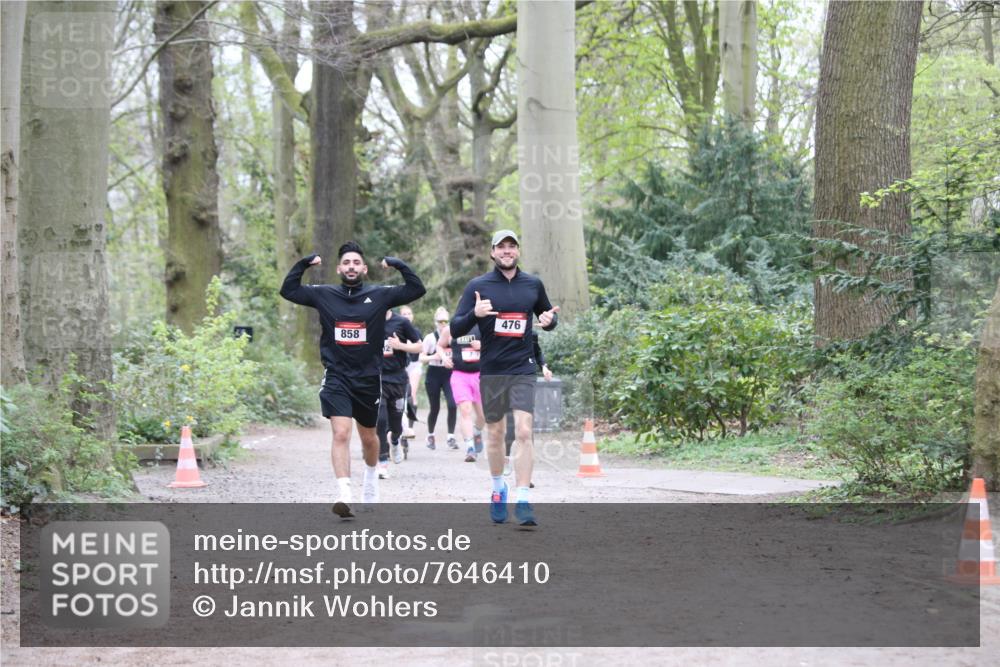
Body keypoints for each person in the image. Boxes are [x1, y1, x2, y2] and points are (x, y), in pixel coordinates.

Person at [280, 242, 425, 518]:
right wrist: (305, 263)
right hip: (337, 376)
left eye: (356, 263)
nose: (351, 267)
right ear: (338, 268)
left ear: (364, 268)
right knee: (341, 433)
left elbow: (416, 288)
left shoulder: (379, 295)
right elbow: (288, 290)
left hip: (369, 378)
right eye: (346, 262)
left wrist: (397, 263)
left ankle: (370, 481)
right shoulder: (325, 294)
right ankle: (344, 493)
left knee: (369, 438)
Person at [450, 230, 558, 527]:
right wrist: (474, 312)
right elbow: (456, 328)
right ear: (493, 252)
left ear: (518, 251)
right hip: (493, 369)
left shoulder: (532, 284)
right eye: (501, 247)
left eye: (512, 246)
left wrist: (550, 321)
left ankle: (523, 499)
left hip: (523, 368)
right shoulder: (478, 286)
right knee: (495, 434)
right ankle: (499, 489)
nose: (507, 251)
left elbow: (546, 317)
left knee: (524, 432)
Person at [377, 308, 423, 478]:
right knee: (380, 420)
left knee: (396, 424)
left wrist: (400, 346)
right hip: (377, 378)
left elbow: (420, 346)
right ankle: (382, 461)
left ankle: (395, 441)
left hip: (397, 379)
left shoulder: (401, 323)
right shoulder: (369, 320)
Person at [504, 330, 552, 478]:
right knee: (511, 427)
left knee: (525, 428)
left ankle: (526, 474)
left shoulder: (532, 334)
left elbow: (537, 352)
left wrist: (544, 366)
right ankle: (506, 458)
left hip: (525, 379)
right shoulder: (500, 330)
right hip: (504, 379)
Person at [438, 322, 485, 462]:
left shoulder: (483, 325)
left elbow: (497, 346)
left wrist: (483, 347)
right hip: (459, 375)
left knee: (483, 416)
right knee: (465, 410)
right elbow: (440, 345)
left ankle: (477, 431)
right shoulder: (451, 328)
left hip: (480, 374)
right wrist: (444, 357)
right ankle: (470, 448)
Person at [419, 307, 458, 451]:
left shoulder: (453, 336)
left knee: (452, 405)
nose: (443, 324)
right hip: (434, 373)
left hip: (449, 373)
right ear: (435, 322)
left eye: (446, 321)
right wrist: (433, 357)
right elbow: (421, 357)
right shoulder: (430, 338)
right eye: (440, 321)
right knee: (434, 407)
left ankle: (451, 437)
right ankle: (430, 435)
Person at [399, 305, 422, 440]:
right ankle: (400, 425)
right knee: (400, 395)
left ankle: (409, 427)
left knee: (411, 394)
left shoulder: (416, 332)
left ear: (412, 316)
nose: (407, 316)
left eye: (409, 313)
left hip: (413, 365)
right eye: (404, 314)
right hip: (399, 365)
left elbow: (421, 349)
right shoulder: (396, 329)